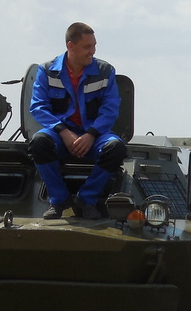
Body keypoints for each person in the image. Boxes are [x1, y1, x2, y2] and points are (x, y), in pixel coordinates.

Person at [27, 22, 128, 220]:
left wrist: (91, 135)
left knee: (116, 147)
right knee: (39, 143)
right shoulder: (47, 71)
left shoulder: (105, 71)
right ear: (70, 46)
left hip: (94, 135)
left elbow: (110, 109)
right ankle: (58, 200)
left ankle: (87, 198)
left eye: (94, 46)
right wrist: (64, 132)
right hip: (59, 134)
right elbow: (38, 106)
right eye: (87, 47)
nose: (92, 51)